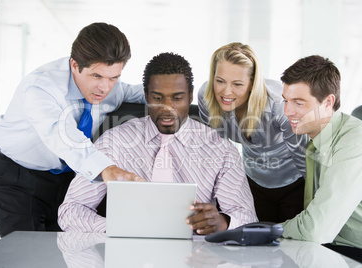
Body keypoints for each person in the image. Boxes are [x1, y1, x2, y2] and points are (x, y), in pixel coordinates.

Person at [58, 52, 258, 234]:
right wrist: (118, 229)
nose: (167, 108)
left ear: (190, 95)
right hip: (128, 253)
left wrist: (223, 222)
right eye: (157, 98)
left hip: (196, 257)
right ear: (146, 96)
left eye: (177, 98)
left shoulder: (221, 149)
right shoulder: (115, 142)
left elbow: (247, 217)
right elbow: (71, 210)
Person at [0, 22, 146, 237]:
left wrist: (197, 93)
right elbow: (62, 134)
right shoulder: (40, 88)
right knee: (26, 254)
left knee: (67, 252)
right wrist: (107, 169)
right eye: (96, 76)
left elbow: (144, 93)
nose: (105, 87)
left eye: (114, 77)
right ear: (74, 65)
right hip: (19, 175)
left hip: (67, 178)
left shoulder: (112, 88)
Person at [280, 55, 362, 265]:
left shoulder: (356, 142)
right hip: (338, 248)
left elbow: (316, 229)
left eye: (299, 102)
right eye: (285, 100)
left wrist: (273, 230)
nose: (287, 111)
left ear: (328, 102)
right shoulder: (316, 140)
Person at [198, 42, 308, 223]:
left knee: (291, 246)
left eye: (237, 84)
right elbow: (215, 151)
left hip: (294, 183)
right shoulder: (206, 96)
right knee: (254, 243)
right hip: (253, 180)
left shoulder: (278, 104)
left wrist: (315, 204)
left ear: (252, 84)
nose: (226, 92)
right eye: (220, 81)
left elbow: (303, 157)